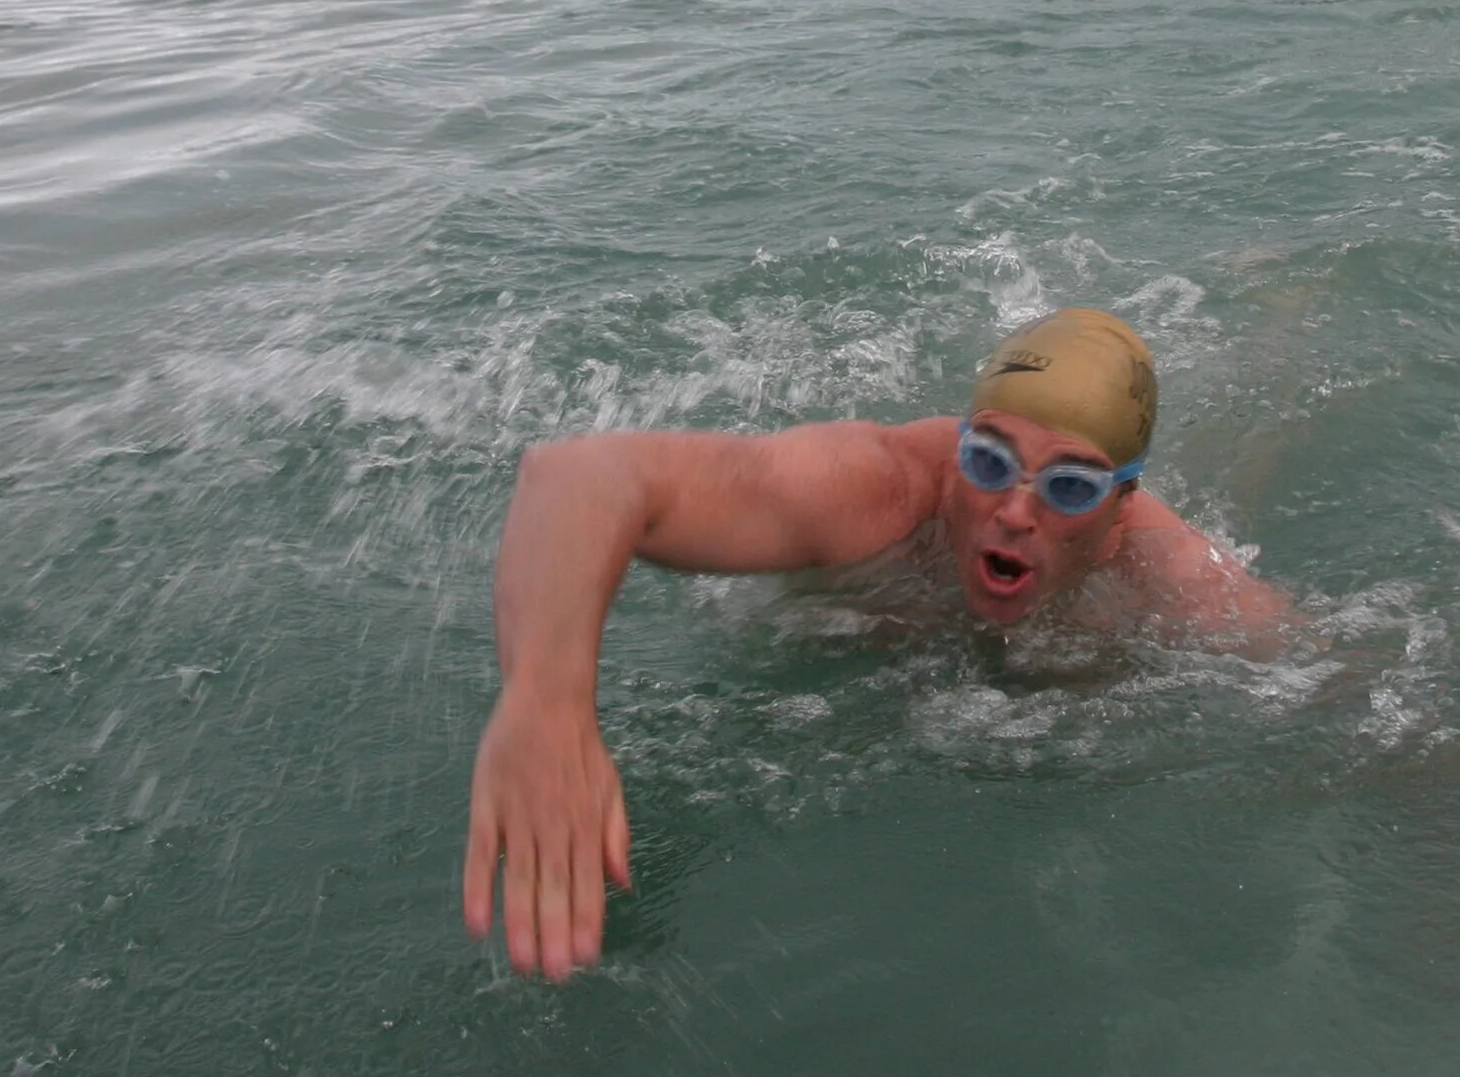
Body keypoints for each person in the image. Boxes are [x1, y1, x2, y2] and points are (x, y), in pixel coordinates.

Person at [460, 306, 1290, 979]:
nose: (1013, 510)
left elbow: (1358, 697)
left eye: (1069, 485)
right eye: (990, 460)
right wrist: (545, 703)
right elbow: (578, 478)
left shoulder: (1185, 587)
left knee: (1252, 458)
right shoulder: (877, 486)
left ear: (1119, 508)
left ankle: (1280, 316)